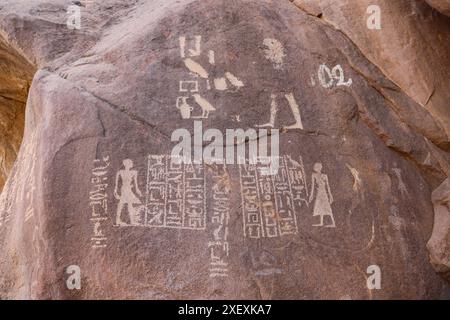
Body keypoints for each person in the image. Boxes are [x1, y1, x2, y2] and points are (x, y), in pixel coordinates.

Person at [114, 159, 142, 226]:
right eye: (130, 163)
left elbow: (135, 184)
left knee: (123, 203)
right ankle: (130, 221)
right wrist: (115, 191)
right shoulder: (120, 172)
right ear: (127, 164)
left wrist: (138, 190)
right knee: (126, 203)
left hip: (127, 189)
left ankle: (118, 220)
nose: (132, 164)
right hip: (125, 189)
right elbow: (116, 184)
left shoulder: (133, 172)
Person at [309, 163, 335, 227]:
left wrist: (330, 196)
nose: (316, 169)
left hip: (324, 193)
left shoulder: (324, 176)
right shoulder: (313, 175)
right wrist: (311, 195)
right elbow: (312, 186)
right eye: (315, 167)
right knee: (320, 206)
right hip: (319, 193)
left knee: (327, 206)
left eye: (317, 167)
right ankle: (321, 222)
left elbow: (328, 186)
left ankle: (333, 223)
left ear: (320, 168)